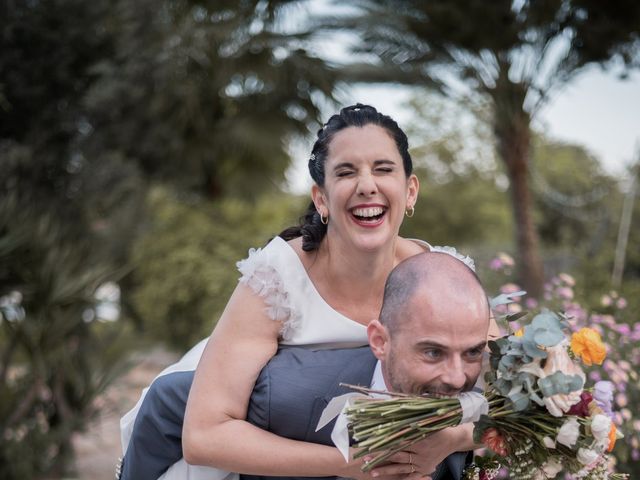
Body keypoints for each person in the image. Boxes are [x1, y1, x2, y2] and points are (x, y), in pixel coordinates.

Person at [118, 104, 497, 479]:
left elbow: (514, 400)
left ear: (410, 190)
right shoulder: (278, 277)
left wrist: (449, 439)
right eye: (347, 172)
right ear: (321, 199)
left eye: (383, 169)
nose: (367, 185)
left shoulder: (444, 280)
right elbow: (204, 436)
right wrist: (353, 465)